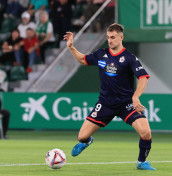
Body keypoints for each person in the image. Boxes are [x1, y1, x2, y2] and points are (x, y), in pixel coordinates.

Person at [63, 23, 156, 170]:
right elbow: (83, 60)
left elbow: (143, 77)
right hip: (105, 103)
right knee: (81, 137)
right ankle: (87, 142)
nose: (110, 40)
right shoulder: (101, 54)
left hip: (126, 103)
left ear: (121, 37)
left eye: (113, 37)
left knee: (146, 132)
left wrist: (136, 97)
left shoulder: (129, 58)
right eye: (108, 37)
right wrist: (71, 47)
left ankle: (141, 162)